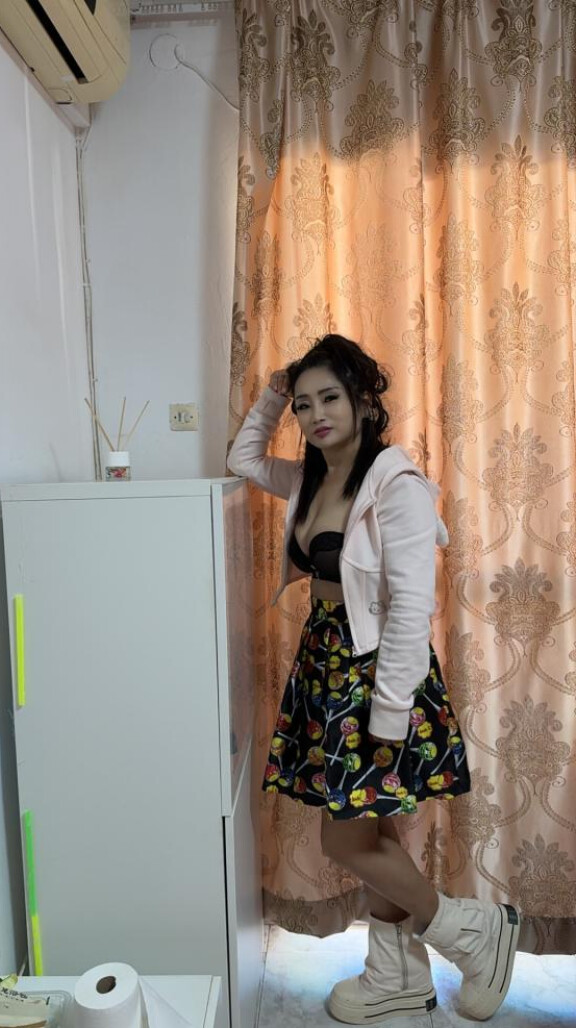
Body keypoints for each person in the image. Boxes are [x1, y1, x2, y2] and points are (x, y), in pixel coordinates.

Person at [227, 334, 520, 1023]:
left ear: (362, 400)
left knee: (345, 839)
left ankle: (475, 933)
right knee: (378, 830)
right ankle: (396, 978)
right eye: (304, 404)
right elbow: (242, 459)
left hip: (377, 673)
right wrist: (272, 394)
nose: (316, 414)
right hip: (326, 663)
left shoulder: (397, 484)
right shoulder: (309, 478)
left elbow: (413, 608)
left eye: (329, 397)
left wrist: (389, 712)